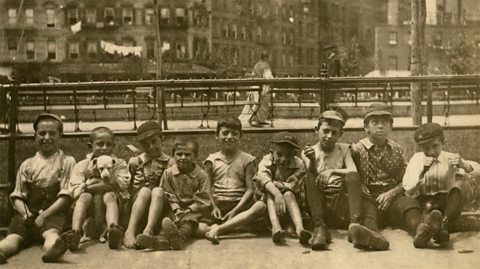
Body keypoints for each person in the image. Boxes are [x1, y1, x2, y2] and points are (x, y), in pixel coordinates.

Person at [350, 103, 430, 250]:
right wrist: (360, 185)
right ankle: (373, 237)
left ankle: (421, 230)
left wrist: (392, 193)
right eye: (375, 122)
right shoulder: (356, 149)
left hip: (393, 195)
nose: (380, 126)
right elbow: (351, 174)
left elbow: (405, 180)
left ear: (391, 127)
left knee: (409, 205)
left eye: (385, 123)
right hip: (369, 195)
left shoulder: (398, 150)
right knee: (368, 213)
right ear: (366, 127)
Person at [0, 113, 76, 264]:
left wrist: (44, 216)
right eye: (42, 133)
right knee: (14, 237)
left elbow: (66, 196)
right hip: (27, 213)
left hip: (53, 213)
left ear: (60, 136)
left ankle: (53, 250)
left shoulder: (66, 161)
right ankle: (2, 250)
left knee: (51, 234)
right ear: (35, 136)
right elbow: (18, 195)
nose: (46, 137)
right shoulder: (28, 164)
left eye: (52, 133)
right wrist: (25, 213)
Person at [403, 122, 480, 248]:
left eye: (435, 146)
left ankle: (443, 225)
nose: (431, 151)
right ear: (420, 147)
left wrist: (464, 165)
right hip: (425, 203)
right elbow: (408, 188)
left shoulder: (449, 157)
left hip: (446, 203)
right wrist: (423, 172)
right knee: (411, 205)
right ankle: (436, 229)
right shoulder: (417, 159)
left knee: (459, 186)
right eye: (426, 148)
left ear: (444, 142)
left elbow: (477, 171)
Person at [301, 110, 361, 250]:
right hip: (320, 206)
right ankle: (319, 226)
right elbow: (310, 176)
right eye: (326, 131)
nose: (329, 136)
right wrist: (311, 160)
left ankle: (354, 224)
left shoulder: (343, 149)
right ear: (317, 130)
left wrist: (332, 170)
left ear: (341, 134)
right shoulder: (309, 151)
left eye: (335, 133)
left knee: (353, 177)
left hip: (340, 203)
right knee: (309, 177)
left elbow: (353, 171)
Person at [65, 127, 130, 250]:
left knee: (109, 195)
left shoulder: (118, 163)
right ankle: (75, 232)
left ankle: (113, 229)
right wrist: (88, 187)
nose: (105, 148)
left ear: (114, 145)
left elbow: (122, 184)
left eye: (109, 144)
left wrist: (91, 187)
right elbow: (74, 191)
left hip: (113, 205)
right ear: (91, 146)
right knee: (84, 196)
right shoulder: (83, 165)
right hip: (89, 211)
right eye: (100, 144)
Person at [204, 116, 267, 244]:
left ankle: (218, 229)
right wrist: (214, 207)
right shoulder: (211, 160)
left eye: (234, 133)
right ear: (217, 135)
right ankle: (234, 227)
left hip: (240, 205)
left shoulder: (247, 160)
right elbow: (206, 189)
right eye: (225, 133)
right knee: (195, 223)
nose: (229, 137)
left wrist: (236, 210)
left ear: (241, 135)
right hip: (218, 206)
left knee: (260, 207)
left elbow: (250, 189)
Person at [123, 120, 175, 249]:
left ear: (162, 139)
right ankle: (130, 231)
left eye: (154, 142)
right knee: (145, 191)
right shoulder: (135, 162)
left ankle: (149, 231)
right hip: (138, 205)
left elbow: (173, 188)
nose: (151, 147)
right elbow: (128, 187)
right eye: (146, 144)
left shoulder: (170, 162)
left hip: (160, 206)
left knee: (157, 190)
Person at [254, 132, 310, 245]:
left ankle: (300, 228)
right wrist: (277, 194)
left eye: (288, 155)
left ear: (294, 154)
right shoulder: (266, 161)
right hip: (268, 206)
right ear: (271, 152)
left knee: (288, 193)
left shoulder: (298, 164)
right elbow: (263, 179)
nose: (284, 159)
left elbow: (295, 184)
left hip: (291, 204)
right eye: (279, 154)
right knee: (270, 192)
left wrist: (282, 187)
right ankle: (276, 227)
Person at [160, 137, 211, 250]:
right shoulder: (168, 173)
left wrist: (188, 210)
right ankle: (161, 240)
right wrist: (177, 209)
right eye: (179, 154)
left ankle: (180, 238)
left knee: (189, 222)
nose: (183, 158)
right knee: (166, 220)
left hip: (193, 211)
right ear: (173, 155)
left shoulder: (201, 175)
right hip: (173, 209)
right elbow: (167, 193)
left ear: (195, 156)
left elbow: (204, 198)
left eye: (187, 155)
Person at [240, 52, 273, 127]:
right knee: (263, 102)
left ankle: (255, 118)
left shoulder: (256, 65)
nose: (269, 59)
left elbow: (253, 75)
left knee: (255, 102)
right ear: (265, 58)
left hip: (255, 86)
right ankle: (260, 119)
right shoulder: (266, 65)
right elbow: (268, 77)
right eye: (268, 57)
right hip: (262, 86)